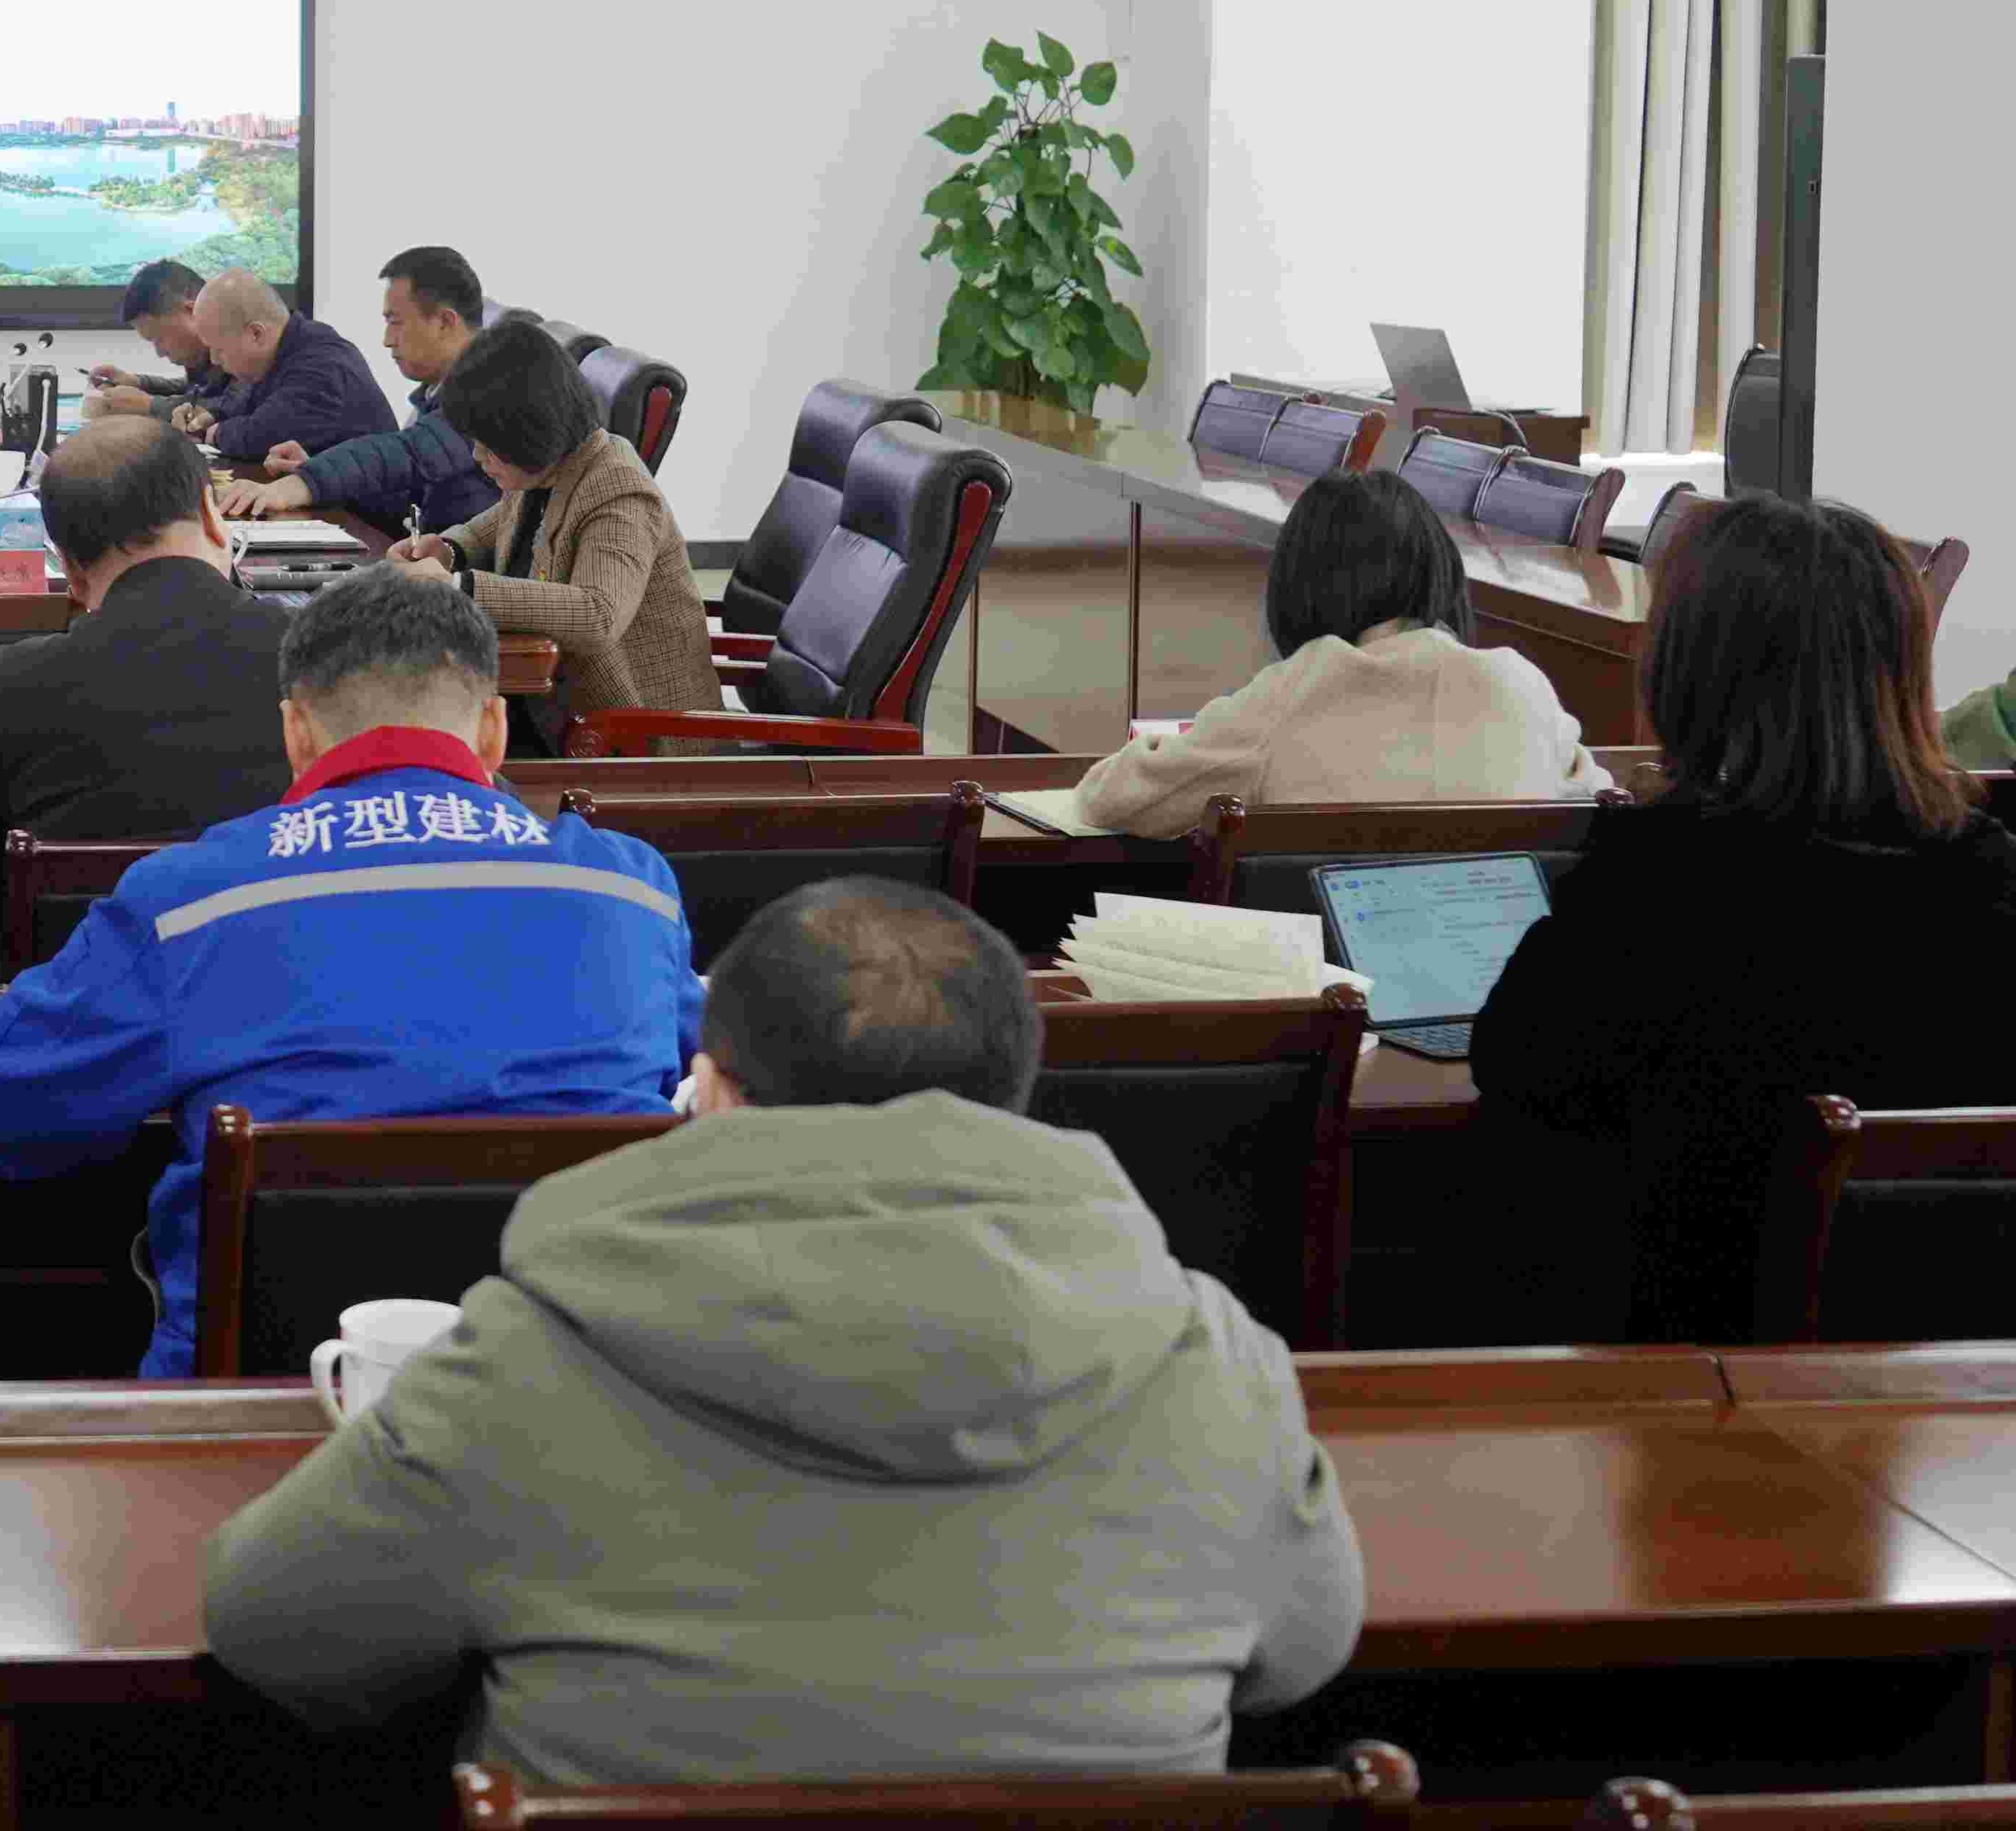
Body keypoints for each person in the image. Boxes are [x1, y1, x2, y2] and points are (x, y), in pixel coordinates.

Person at [202, 877, 1360, 1784]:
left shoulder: (530, 1356)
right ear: (1011, 1100)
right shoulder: (1212, 1357)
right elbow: (1304, 1651)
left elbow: (276, 1628)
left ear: (710, 1091)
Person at [0, 573, 698, 1377]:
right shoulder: (632, 891)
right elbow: (705, 1077)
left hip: (257, 1413)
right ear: (495, 730)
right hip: (590, 1393)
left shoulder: (192, 900)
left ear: (295, 732)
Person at [1476, 495, 2016, 1340]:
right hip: (1954, 1377)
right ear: (1904, 670)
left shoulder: (1653, 880)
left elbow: (1515, 1061)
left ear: (1691, 672)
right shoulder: (1988, 876)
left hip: (1690, 1372)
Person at [0, 422, 295, 958]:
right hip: (276, 982)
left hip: (77, 996)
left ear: (68, 567)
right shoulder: (311, 657)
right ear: (211, 514)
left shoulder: (14, 682)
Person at [1073, 470, 1605, 837]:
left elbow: (1111, 799)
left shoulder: (1300, 687)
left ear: (1300, 586)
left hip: (1326, 962)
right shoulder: (1520, 682)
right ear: (1441, 568)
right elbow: (1595, 792)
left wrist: (1169, 744)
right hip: (1504, 960)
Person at [384, 315, 708, 742]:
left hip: (624, 734)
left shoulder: (619, 488)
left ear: (530, 431)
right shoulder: (543, 470)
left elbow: (598, 614)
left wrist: (458, 587)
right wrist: (447, 550)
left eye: (488, 444)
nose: (478, 456)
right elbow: (492, 528)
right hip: (549, 703)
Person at [220, 244, 499, 537]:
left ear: (445, 322)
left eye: (395, 322)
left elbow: (409, 452)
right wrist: (315, 469)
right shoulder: (436, 396)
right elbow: (406, 503)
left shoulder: (493, 387)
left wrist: (303, 484)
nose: (387, 340)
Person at [168, 273, 395, 470]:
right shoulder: (284, 350)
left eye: (219, 349)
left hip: (367, 507)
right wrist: (211, 416)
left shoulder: (323, 365)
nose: (215, 360)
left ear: (256, 334)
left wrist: (213, 433)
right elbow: (249, 405)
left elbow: (261, 436)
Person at [87, 259, 222, 418]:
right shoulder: (208, 359)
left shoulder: (237, 351)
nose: (160, 353)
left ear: (192, 309)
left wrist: (149, 405)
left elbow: (226, 407)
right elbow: (199, 390)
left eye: (160, 338)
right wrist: (137, 383)